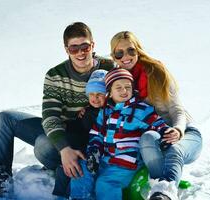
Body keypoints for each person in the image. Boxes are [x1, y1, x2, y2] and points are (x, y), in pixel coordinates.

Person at [0, 22, 114, 197]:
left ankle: (66, 167)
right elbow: (50, 116)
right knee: (5, 119)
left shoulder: (109, 68)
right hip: (62, 131)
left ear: (92, 45)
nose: (80, 52)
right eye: (74, 48)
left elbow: (125, 94)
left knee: (44, 145)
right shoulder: (55, 75)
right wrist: (64, 149)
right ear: (66, 49)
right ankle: (2, 182)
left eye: (85, 46)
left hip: (91, 135)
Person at [110, 31, 202, 200]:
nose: (126, 56)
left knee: (175, 149)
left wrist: (178, 130)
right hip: (156, 134)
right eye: (119, 53)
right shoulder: (119, 83)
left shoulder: (156, 72)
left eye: (131, 50)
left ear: (138, 51)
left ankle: (164, 194)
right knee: (146, 138)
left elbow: (177, 109)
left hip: (184, 130)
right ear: (114, 57)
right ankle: (161, 185)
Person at [70, 68, 171, 200]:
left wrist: (167, 132)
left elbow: (158, 124)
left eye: (127, 87)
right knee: (82, 169)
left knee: (105, 183)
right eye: (118, 87)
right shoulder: (105, 111)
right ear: (109, 93)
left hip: (125, 162)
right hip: (103, 157)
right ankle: (81, 197)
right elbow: (97, 133)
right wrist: (94, 151)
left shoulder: (140, 109)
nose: (124, 91)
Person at [53, 69, 108, 198]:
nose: (94, 98)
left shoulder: (108, 112)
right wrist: (67, 125)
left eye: (99, 94)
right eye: (91, 94)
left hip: (96, 152)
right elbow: (79, 127)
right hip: (81, 148)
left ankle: (72, 194)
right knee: (65, 166)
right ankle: (60, 195)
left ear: (108, 94)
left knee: (79, 170)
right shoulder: (87, 111)